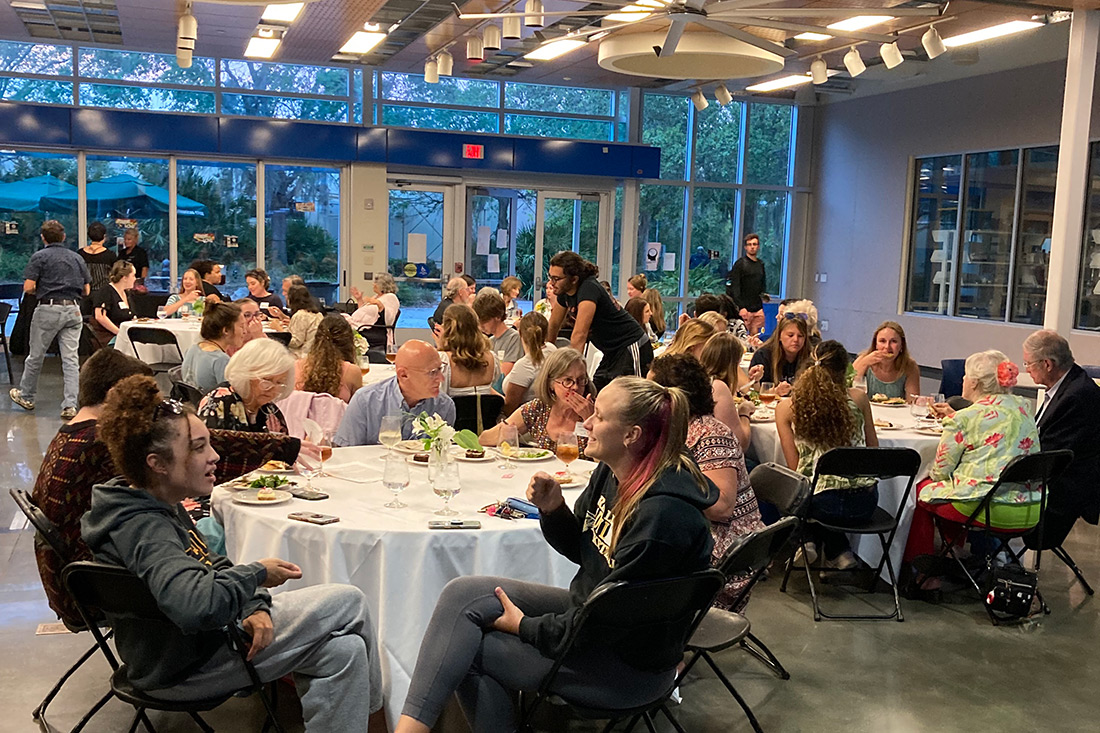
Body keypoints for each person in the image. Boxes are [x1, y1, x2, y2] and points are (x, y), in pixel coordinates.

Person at [395, 377, 717, 733]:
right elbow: (586, 551)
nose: (587, 423)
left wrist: (525, 627)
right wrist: (553, 509)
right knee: (463, 593)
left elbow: (606, 623)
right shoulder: (614, 473)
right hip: (593, 622)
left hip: (627, 667)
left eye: (599, 416)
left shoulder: (663, 518)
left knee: (470, 651)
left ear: (632, 435)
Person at [84, 375, 384, 732]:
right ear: (157, 463)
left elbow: (210, 562)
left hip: (189, 651)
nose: (214, 456)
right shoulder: (146, 528)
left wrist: (252, 603)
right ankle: (381, 723)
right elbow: (194, 605)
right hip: (187, 668)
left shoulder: (154, 501)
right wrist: (256, 573)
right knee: (349, 600)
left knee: (344, 651)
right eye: (197, 448)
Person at [31, 350, 153, 628]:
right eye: (140, 401)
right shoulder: (99, 441)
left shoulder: (71, 431)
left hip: (68, 581)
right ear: (115, 396)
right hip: (92, 587)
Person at [903, 351, 1040, 569]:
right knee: (956, 486)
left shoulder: (965, 418)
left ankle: (923, 572)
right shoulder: (1024, 407)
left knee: (921, 489)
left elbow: (941, 472)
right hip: (1031, 508)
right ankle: (952, 551)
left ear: (974, 383)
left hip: (988, 509)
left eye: (965, 376)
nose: (962, 380)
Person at [649, 354, 764, 611]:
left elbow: (721, 507)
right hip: (698, 538)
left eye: (651, 391)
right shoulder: (675, 429)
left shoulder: (710, 433)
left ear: (673, 398)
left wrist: (665, 484)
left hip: (720, 556)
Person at [776, 340, 878, 570]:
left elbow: (795, 468)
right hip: (865, 502)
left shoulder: (788, 407)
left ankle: (808, 540)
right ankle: (837, 550)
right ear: (845, 371)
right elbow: (874, 451)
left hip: (822, 503)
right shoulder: (859, 399)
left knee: (795, 493)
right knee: (823, 497)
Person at [1021, 330, 1100, 549]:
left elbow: (1049, 454)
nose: (1026, 370)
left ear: (1047, 364)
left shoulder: (1076, 396)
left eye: (1028, 364)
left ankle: (982, 560)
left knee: (982, 495)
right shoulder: (1067, 386)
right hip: (1054, 480)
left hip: (1060, 494)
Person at [10, 220, 90, 419]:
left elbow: (28, 287)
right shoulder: (77, 258)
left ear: (43, 237)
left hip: (48, 308)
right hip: (73, 310)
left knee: (36, 355)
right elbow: (87, 289)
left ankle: (26, 395)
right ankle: (71, 405)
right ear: (63, 237)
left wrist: (44, 288)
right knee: (71, 360)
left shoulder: (40, 257)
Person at [545, 252, 651, 392]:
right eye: (550, 277)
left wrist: (568, 373)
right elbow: (553, 326)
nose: (552, 283)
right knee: (596, 394)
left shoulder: (588, 289)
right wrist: (546, 359)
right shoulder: (564, 292)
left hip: (630, 346)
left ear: (574, 279)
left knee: (629, 398)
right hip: (611, 352)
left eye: (556, 278)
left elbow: (579, 334)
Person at [335, 340, 455, 446]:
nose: (441, 378)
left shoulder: (444, 406)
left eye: (441, 369)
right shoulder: (365, 402)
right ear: (403, 375)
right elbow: (347, 455)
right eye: (433, 372)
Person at [480, 348, 592, 455]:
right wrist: (507, 432)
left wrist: (590, 420)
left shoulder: (596, 411)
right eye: (568, 380)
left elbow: (604, 463)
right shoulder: (539, 407)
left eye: (581, 379)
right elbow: (484, 439)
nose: (575, 387)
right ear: (551, 383)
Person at [197, 338, 294, 433]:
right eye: (267, 380)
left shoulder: (270, 411)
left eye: (279, 382)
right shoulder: (219, 403)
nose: (272, 388)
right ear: (246, 374)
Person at [697, 331, 755, 449]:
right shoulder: (717, 387)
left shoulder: (699, 380)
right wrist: (744, 413)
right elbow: (740, 444)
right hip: (714, 455)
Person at [296, 313, 363, 403]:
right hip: (339, 417)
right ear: (349, 342)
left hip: (301, 416)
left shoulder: (296, 366)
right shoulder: (352, 372)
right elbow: (358, 409)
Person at [182, 302, 245, 394]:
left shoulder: (193, 349)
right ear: (226, 330)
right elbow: (231, 396)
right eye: (242, 326)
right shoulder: (220, 360)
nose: (245, 331)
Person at [501, 312, 556, 416]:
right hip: (549, 414)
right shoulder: (552, 349)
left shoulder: (524, 365)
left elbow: (509, 408)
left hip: (526, 421)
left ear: (520, 333)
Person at [438, 304, 500, 397]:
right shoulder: (492, 358)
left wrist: (441, 345)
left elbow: (438, 397)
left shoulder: (444, 360)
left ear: (447, 328)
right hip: (485, 410)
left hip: (453, 411)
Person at [853, 321, 919, 400]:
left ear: (901, 345)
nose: (887, 347)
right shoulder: (862, 360)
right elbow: (849, 392)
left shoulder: (910, 366)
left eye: (893, 341)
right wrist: (864, 364)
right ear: (876, 344)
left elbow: (912, 401)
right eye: (882, 341)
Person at [749, 314, 812, 397]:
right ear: (779, 336)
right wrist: (775, 392)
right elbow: (755, 393)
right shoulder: (764, 355)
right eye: (790, 335)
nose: (796, 340)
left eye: (800, 336)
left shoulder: (811, 357)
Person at [473, 290, 523, 376]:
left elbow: (503, 375)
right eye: (479, 322)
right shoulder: (490, 341)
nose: (481, 326)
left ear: (498, 316)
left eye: (485, 321)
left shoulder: (514, 339)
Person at [726, 232, 767, 336]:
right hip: (744, 308)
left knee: (756, 337)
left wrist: (764, 295)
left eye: (754, 244)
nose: (752, 247)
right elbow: (735, 287)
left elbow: (762, 284)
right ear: (745, 247)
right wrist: (740, 307)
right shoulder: (740, 264)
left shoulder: (760, 264)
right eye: (749, 244)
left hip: (757, 307)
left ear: (758, 246)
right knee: (742, 336)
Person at [91, 260, 136, 339]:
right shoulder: (106, 291)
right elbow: (100, 316)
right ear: (124, 278)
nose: (135, 279)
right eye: (133, 276)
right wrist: (120, 333)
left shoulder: (126, 293)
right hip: (110, 336)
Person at [78, 221, 116, 295]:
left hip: (84, 294)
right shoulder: (110, 255)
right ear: (104, 236)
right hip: (103, 294)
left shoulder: (80, 254)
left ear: (89, 236)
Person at [287, 284, 324, 355]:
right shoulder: (318, 314)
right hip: (315, 353)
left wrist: (280, 333)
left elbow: (296, 342)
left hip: (301, 355)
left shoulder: (300, 315)